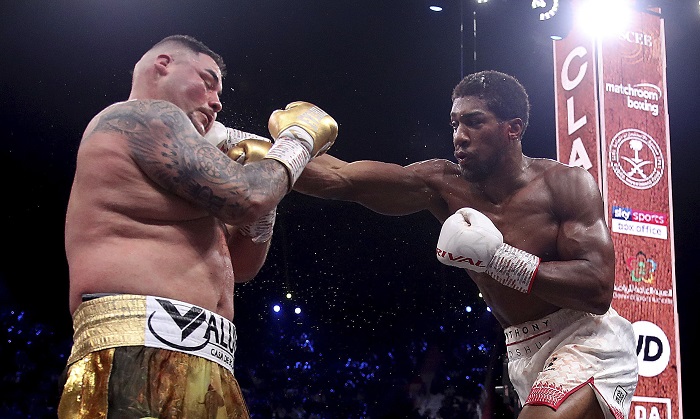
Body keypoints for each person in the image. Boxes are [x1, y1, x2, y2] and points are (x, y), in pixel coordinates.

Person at [294, 70, 638, 419]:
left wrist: (499, 259)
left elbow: (597, 289)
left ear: (513, 129)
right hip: (522, 349)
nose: (459, 136)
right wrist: (281, 150)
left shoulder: (565, 184)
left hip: (586, 338)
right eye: (455, 124)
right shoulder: (443, 184)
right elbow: (341, 179)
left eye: (474, 122)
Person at [59, 34, 338, 418]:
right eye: (207, 82)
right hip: (135, 350)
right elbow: (247, 197)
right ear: (163, 65)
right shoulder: (141, 117)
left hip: (210, 361)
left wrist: (264, 198)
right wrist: (298, 138)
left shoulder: (190, 165)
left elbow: (241, 266)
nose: (217, 101)